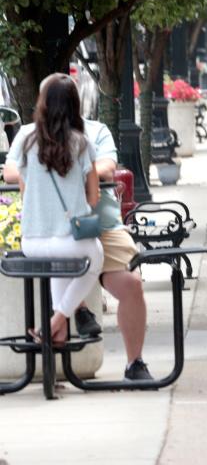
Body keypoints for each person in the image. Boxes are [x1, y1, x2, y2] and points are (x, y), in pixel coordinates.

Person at [4, 113, 153, 379]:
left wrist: (59, 167)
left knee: (132, 284)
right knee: (70, 256)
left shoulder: (94, 131)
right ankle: (62, 354)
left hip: (100, 223)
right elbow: (10, 171)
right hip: (52, 228)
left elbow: (109, 167)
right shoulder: (28, 134)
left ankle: (134, 363)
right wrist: (75, 169)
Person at [3, 74, 103, 345]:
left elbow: (25, 192)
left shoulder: (27, 142)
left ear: (43, 104)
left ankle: (54, 348)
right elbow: (93, 197)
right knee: (96, 259)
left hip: (32, 241)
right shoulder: (81, 143)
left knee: (60, 270)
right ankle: (54, 323)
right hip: (69, 240)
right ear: (74, 104)